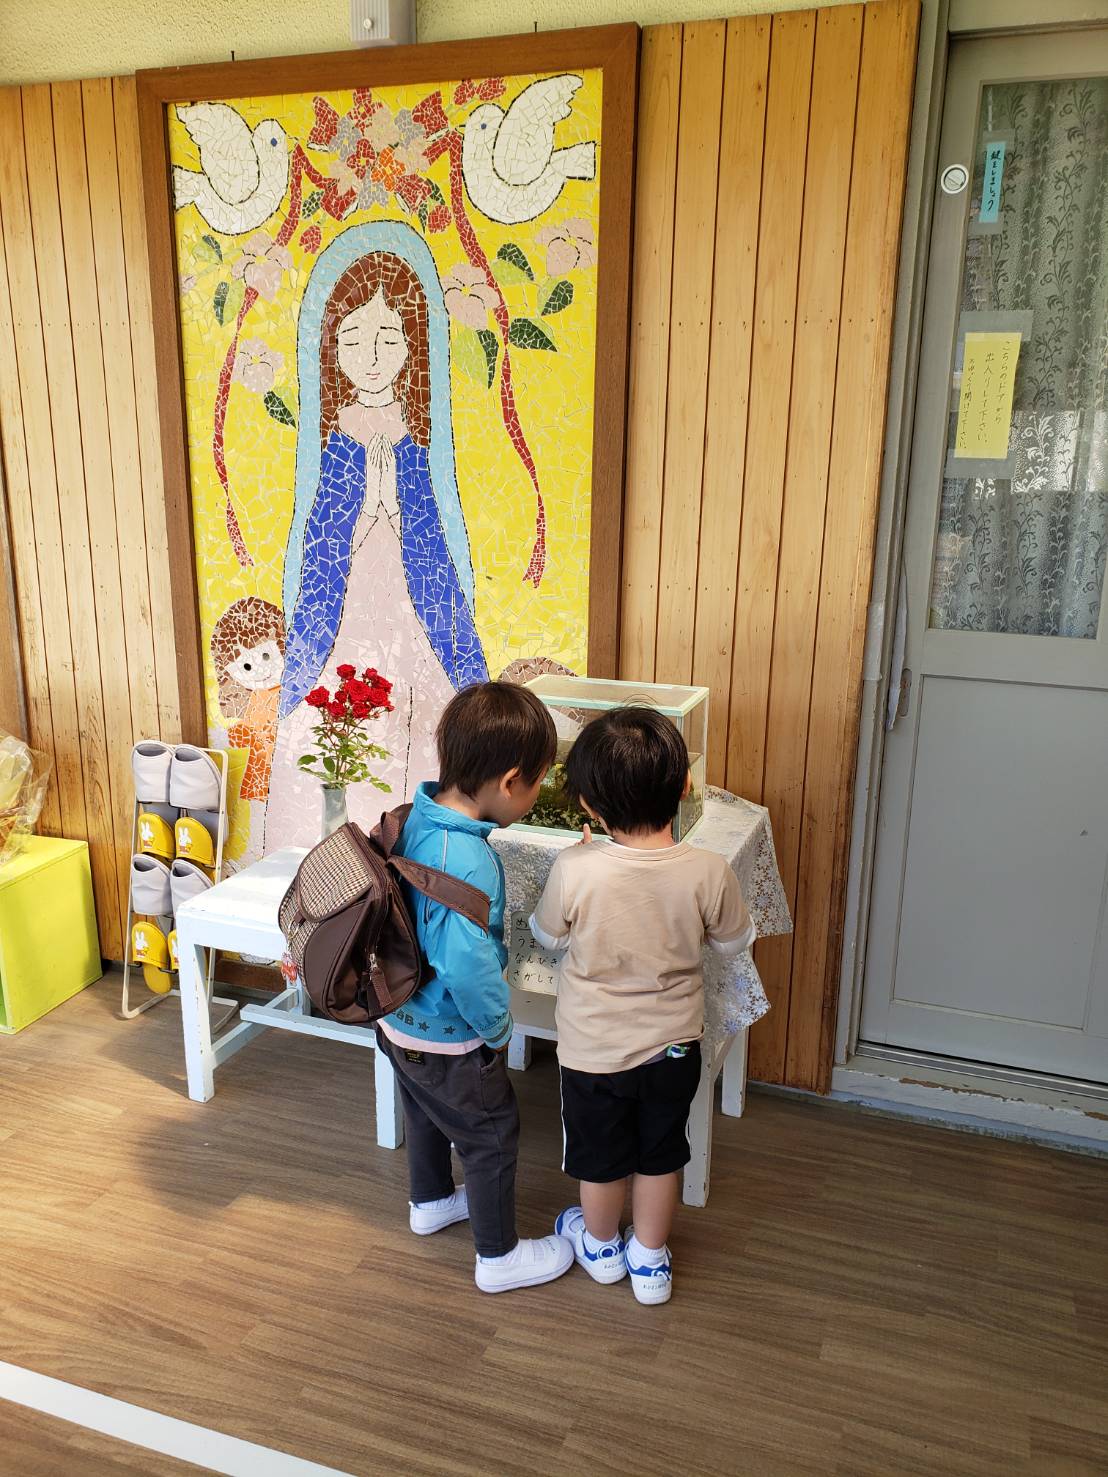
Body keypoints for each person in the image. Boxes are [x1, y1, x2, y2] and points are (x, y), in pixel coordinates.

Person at [266, 240, 488, 851]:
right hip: (347, 606)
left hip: (412, 603)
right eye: (355, 339)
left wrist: (393, 499)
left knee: (420, 705)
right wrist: (370, 505)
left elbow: (433, 535)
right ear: (333, 348)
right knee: (344, 719)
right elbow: (322, 539)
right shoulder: (335, 438)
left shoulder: (416, 438)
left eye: (388, 339)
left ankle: (415, 833)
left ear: (411, 347)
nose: (371, 356)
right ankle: (342, 836)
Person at [530, 708, 755, 1305]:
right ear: (684, 786)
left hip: (592, 1050)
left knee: (600, 1158)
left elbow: (548, 936)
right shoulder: (709, 871)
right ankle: (650, 1261)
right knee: (661, 1153)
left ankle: (601, 1246)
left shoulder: (574, 867)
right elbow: (733, 943)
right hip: (674, 1046)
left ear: (586, 803)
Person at [375, 681, 574, 1295]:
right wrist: (497, 1026)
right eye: (538, 784)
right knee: (490, 1138)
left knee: (425, 1111)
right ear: (510, 782)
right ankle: (499, 1256)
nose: (537, 796)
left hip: (399, 1020)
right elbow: (465, 964)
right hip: (450, 1034)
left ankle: (431, 1200)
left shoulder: (417, 816)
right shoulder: (467, 860)